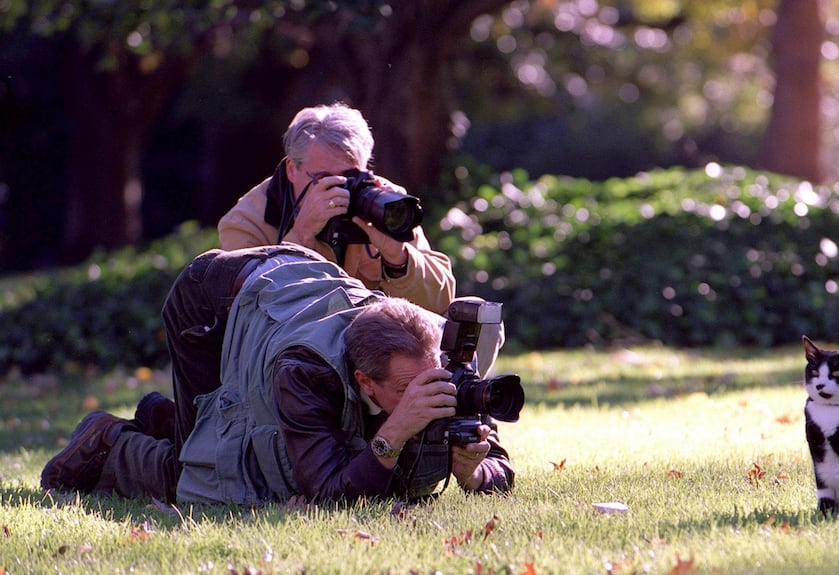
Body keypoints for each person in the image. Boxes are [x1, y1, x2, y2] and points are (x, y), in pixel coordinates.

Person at [40, 244, 514, 503]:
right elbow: (328, 492)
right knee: (204, 474)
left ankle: (161, 418)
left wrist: (472, 473)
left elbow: (502, 467)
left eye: (427, 384)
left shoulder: (441, 354)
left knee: (201, 437)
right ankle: (109, 438)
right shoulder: (306, 370)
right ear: (363, 382)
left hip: (296, 282)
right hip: (212, 301)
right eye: (405, 391)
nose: (426, 397)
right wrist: (395, 431)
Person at [218, 102, 455, 316]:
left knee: (475, 319)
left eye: (350, 176)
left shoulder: (386, 202)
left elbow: (441, 302)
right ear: (292, 169)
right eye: (324, 178)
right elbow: (249, 310)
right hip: (293, 349)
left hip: (376, 345)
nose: (338, 189)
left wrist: (399, 259)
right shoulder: (245, 221)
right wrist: (301, 235)